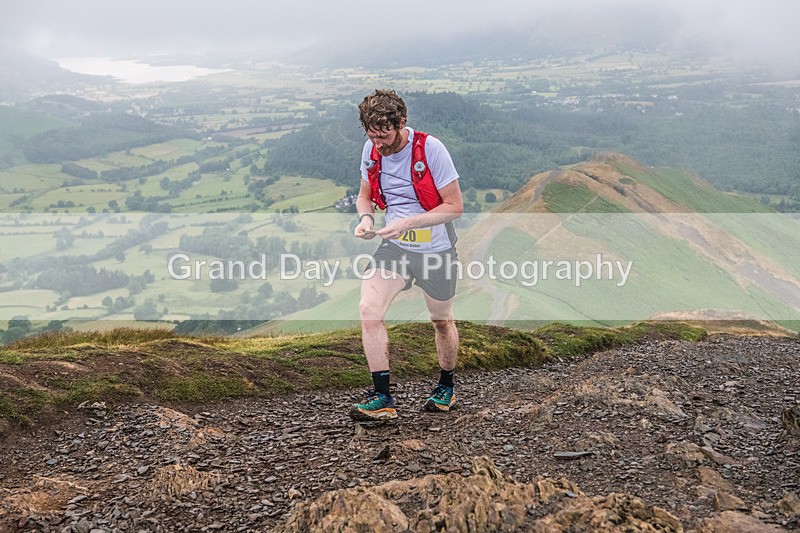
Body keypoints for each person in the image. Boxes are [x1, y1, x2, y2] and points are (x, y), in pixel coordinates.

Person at [350, 89, 464, 422]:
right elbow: (364, 196)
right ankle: (382, 397)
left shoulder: (431, 149)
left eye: (384, 136)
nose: (379, 144)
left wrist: (410, 222)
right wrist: (366, 219)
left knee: (441, 321)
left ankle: (446, 386)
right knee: (369, 309)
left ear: (402, 122)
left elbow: (455, 207)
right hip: (395, 246)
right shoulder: (371, 150)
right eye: (372, 136)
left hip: (435, 248)